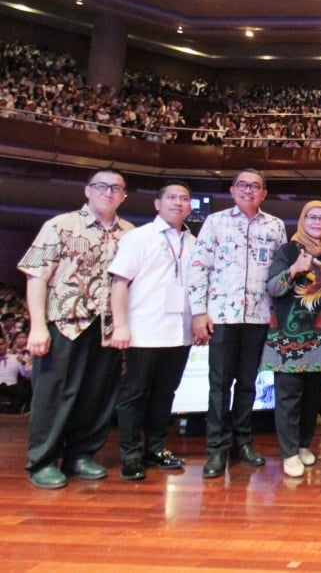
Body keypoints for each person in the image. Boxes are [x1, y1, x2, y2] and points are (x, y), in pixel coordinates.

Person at [17, 168, 133, 488]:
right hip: (64, 323)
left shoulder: (131, 233)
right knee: (54, 395)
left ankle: (81, 454)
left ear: (124, 195)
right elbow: (36, 276)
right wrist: (38, 326)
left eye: (116, 188)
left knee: (97, 395)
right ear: (87, 191)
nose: (108, 193)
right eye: (101, 187)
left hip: (107, 327)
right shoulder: (59, 226)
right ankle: (42, 460)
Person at [187, 168, 287, 478]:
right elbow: (199, 267)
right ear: (232, 190)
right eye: (242, 185)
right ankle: (217, 449)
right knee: (219, 386)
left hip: (258, 317)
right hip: (222, 317)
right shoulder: (215, 222)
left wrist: (277, 315)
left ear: (264, 193)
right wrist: (198, 312)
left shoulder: (275, 226)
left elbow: (279, 273)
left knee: (247, 385)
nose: (248, 190)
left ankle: (243, 442)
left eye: (255, 186)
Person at [108, 180, 195, 481]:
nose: (178, 203)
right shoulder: (139, 237)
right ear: (157, 204)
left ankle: (156, 448)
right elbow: (119, 283)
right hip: (143, 330)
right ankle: (131, 455)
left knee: (165, 394)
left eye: (184, 199)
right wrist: (120, 325)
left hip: (179, 332)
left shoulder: (193, 242)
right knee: (134, 395)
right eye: (171, 197)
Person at [262, 200, 321, 478]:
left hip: (319, 336)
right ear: (303, 220)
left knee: (313, 398)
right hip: (286, 337)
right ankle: (289, 451)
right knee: (288, 397)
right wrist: (293, 269)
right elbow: (273, 287)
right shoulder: (289, 250)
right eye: (312, 217)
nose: (317, 223)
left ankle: (304, 444)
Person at [0, 336, 31, 413]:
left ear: (6, 345)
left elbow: (27, 375)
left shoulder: (16, 358)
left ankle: (13, 413)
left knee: (24, 393)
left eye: (1, 344)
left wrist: (23, 363)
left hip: (12, 386)